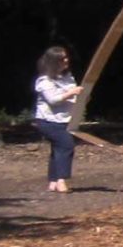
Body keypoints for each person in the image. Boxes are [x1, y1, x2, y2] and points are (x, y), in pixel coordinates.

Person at [33, 46, 82, 193]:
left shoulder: (67, 77)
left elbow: (73, 97)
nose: (66, 60)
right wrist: (72, 92)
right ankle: (61, 180)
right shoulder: (44, 81)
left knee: (57, 149)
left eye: (66, 57)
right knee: (66, 146)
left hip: (64, 119)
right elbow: (53, 100)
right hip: (48, 121)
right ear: (54, 62)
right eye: (62, 59)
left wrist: (79, 96)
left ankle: (53, 182)